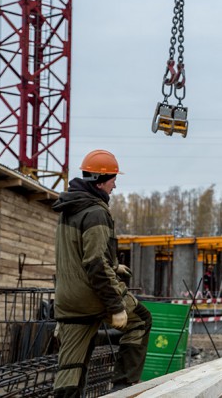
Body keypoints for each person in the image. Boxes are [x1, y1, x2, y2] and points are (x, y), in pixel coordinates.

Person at [53, 149, 152, 397]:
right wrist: (115, 305)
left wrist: (114, 265)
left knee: (71, 366)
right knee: (141, 320)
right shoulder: (96, 212)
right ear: (100, 180)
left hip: (67, 301)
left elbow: (79, 253)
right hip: (93, 296)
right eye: (113, 179)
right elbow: (95, 263)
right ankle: (123, 388)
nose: (115, 185)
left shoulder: (70, 208)